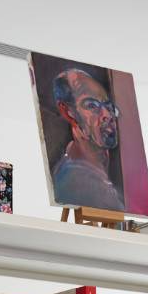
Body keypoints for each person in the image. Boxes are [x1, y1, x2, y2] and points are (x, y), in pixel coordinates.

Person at [51, 68, 125, 210]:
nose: (107, 115)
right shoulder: (76, 182)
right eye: (91, 105)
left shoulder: (99, 173)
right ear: (68, 112)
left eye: (108, 106)